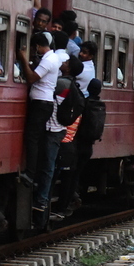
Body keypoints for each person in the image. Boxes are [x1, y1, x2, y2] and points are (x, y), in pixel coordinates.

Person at [31, 56, 84, 228]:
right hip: (58, 129)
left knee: (47, 168)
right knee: (49, 167)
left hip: (52, 130)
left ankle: (41, 204)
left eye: (66, 63)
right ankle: (42, 204)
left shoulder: (61, 83)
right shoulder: (72, 84)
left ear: (68, 69)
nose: (63, 63)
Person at [17, 32, 61, 185]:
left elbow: (31, 78)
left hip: (41, 103)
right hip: (44, 102)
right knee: (36, 138)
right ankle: (33, 173)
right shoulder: (52, 58)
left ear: (38, 46)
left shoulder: (48, 60)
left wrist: (23, 58)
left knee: (32, 137)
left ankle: (30, 173)